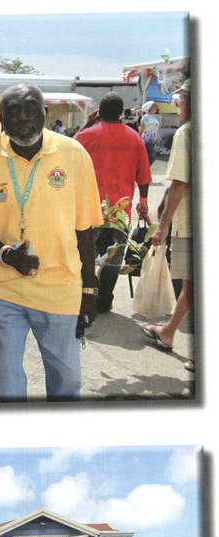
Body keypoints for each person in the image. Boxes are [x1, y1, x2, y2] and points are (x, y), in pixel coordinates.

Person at [0, 83, 103, 401]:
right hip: (4, 289)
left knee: (65, 380)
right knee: (7, 382)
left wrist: (89, 290)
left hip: (60, 289)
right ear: (1, 117)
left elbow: (85, 231)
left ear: (45, 113)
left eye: (30, 108)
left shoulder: (73, 154)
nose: (22, 116)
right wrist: (9, 257)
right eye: (13, 110)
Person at [74, 92, 152, 313]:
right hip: (121, 212)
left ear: (99, 111)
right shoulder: (134, 138)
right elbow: (144, 176)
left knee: (86, 253)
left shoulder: (86, 136)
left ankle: (88, 295)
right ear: (120, 113)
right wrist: (143, 200)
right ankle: (105, 299)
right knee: (114, 257)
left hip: (89, 210)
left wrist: (87, 124)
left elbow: (67, 153)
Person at [141, 79, 193, 372]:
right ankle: (169, 330)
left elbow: (180, 183)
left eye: (180, 99)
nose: (177, 104)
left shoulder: (186, 132)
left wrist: (162, 227)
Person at [139, 100, 162, 165]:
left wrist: (157, 139)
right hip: (146, 140)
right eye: (155, 106)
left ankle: (144, 170)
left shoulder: (153, 117)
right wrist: (139, 138)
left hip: (152, 140)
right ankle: (144, 170)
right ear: (150, 108)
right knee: (152, 157)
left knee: (149, 157)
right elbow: (142, 129)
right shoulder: (145, 117)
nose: (157, 107)